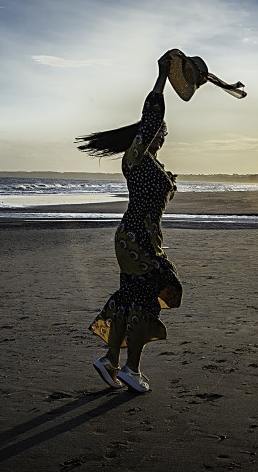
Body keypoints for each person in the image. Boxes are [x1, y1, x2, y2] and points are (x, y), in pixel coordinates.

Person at [76, 53, 182, 393]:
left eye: (164, 134)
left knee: (129, 296)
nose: (162, 136)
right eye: (159, 132)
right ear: (146, 135)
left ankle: (110, 360)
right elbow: (151, 116)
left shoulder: (150, 166)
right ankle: (131, 369)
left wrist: (170, 181)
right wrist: (162, 77)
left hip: (135, 237)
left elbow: (156, 195)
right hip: (138, 239)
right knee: (146, 299)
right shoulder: (135, 157)